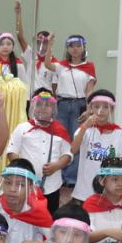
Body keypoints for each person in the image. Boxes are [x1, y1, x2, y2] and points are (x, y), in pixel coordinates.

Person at [6, 89, 73, 214]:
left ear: (53, 108)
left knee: (49, 217)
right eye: (39, 104)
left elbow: (68, 155)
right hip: (26, 185)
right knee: (25, 216)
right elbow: (11, 151)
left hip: (52, 186)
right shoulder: (23, 128)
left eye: (47, 105)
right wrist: (25, 169)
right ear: (32, 106)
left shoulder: (60, 130)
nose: (43, 108)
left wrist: (56, 166)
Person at [44, 33, 97, 187]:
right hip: (62, 105)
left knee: (76, 141)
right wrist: (49, 45)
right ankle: (59, 175)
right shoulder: (61, 66)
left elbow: (90, 90)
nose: (75, 49)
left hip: (79, 105)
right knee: (60, 139)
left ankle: (72, 178)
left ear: (83, 48)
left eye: (78, 46)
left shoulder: (89, 67)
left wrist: (89, 110)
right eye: (71, 46)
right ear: (67, 48)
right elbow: (48, 64)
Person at [70, 89, 122, 202]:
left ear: (111, 110)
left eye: (106, 107)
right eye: (96, 106)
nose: (100, 111)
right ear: (91, 109)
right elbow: (73, 149)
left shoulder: (119, 133)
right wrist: (84, 126)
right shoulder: (85, 130)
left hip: (108, 190)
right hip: (84, 191)